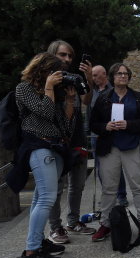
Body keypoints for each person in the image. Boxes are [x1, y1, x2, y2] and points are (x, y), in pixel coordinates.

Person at [14, 52, 76, 258]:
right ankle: (31, 252)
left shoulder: (56, 93)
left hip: (55, 146)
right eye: (54, 72)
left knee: (40, 197)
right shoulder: (24, 89)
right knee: (47, 198)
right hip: (39, 147)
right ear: (43, 70)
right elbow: (44, 113)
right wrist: (49, 88)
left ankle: (39, 242)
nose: (58, 76)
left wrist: (69, 101)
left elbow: (65, 127)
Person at [90, 63, 140, 242]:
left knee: (138, 186)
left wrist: (129, 124)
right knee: (109, 188)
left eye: (125, 74)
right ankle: (105, 224)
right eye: (119, 74)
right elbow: (93, 124)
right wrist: (105, 126)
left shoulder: (138, 98)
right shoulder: (103, 99)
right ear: (112, 77)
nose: (123, 76)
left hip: (132, 146)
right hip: (109, 148)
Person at [46, 40, 96, 244]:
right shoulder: (45, 81)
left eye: (69, 56)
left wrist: (89, 79)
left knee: (77, 185)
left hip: (77, 139)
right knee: (55, 188)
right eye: (62, 55)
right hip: (55, 141)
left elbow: (86, 101)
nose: (67, 60)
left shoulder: (73, 79)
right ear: (52, 55)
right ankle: (55, 227)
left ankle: (73, 222)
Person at [86, 65, 129, 207]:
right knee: (101, 168)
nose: (93, 78)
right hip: (96, 134)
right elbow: (89, 113)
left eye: (95, 76)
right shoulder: (92, 92)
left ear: (104, 75)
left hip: (113, 133)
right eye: (92, 76)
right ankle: (107, 194)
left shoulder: (115, 90)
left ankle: (121, 194)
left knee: (117, 166)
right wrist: (88, 131)